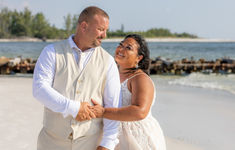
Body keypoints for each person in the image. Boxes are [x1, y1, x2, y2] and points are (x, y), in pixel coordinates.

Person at [32, 6, 120, 150]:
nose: (104, 35)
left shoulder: (108, 61)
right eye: (101, 29)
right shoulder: (51, 52)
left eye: (106, 30)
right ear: (84, 26)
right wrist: (74, 108)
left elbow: (113, 105)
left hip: (90, 143)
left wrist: (107, 144)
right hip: (51, 142)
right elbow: (39, 89)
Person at [90, 34, 166, 150]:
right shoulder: (110, 73)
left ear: (139, 58)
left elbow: (140, 112)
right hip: (111, 133)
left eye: (128, 48)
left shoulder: (140, 79)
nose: (121, 49)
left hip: (136, 138)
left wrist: (103, 112)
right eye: (121, 45)